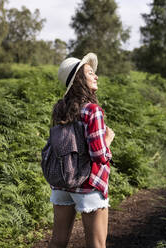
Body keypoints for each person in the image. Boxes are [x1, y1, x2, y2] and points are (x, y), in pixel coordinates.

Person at [48, 52, 115, 248]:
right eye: (90, 73)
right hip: (89, 183)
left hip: (61, 181)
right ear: (79, 80)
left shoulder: (59, 108)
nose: (96, 76)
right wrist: (108, 139)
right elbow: (99, 155)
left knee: (58, 241)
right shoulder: (92, 110)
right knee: (97, 244)